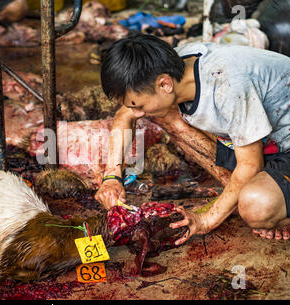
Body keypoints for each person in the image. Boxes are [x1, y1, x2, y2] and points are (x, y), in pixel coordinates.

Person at [95, 33, 290, 243]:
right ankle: (246, 191)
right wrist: (112, 176)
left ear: (165, 84)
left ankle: (274, 204)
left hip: (284, 147)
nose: (137, 113)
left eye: (139, 105)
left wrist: (205, 220)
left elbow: (250, 165)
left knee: (257, 205)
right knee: (166, 114)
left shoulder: (228, 84)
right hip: (266, 143)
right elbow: (125, 115)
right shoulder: (170, 66)